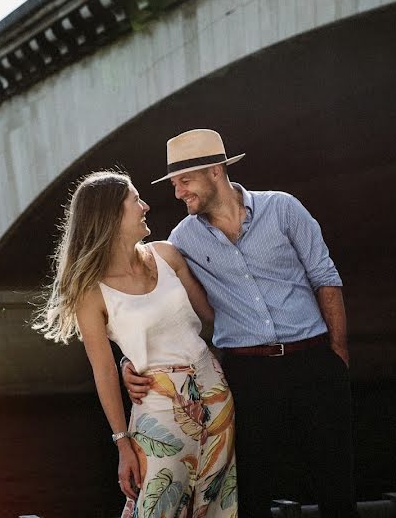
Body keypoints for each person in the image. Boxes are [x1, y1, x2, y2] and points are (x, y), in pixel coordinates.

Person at [123, 129, 357, 517]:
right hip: (246, 375)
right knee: (251, 490)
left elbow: (324, 277)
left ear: (216, 172)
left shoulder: (283, 209)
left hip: (314, 362)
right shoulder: (181, 241)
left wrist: (338, 354)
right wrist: (128, 361)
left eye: (184, 181)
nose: (178, 192)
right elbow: (149, 298)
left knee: (336, 484)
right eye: (174, 183)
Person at [33, 170, 236, 518]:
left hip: (214, 393)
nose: (144, 206)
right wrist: (122, 442)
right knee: (156, 506)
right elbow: (104, 370)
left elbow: (212, 319)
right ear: (111, 215)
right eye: (134, 200)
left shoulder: (167, 255)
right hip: (156, 405)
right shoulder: (91, 292)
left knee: (217, 505)